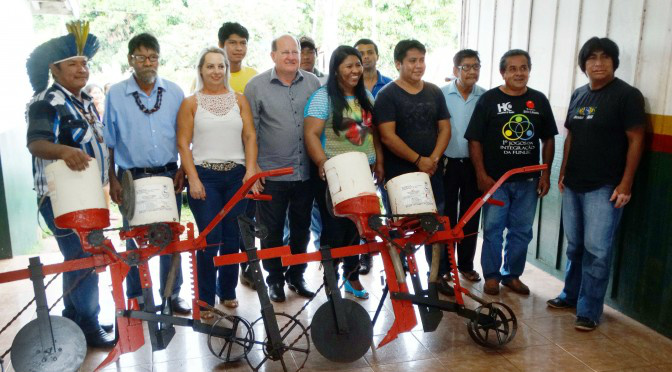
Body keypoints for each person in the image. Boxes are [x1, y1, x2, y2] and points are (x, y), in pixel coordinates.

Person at [25, 21, 114, 347]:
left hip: (87, 194)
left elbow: (100, 145)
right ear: (55, 69)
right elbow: (36, 142)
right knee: (84, 257)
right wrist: (63, 150)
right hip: (61, 196)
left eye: (85, 63)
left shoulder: (85, 101)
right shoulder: (47, 101)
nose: (82, 69)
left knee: (79, 258)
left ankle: (75, 319)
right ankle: (88, 324)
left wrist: (112, 180)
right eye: (73, 64)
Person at [547, 37, 645, 331]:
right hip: (574, 183)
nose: (598, 63)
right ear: (584, 64)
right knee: (575, 246)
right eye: (592, 58)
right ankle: (570, 294)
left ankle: (589, 310)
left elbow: (636, 139)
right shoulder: (579, 94)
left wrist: (626, 183)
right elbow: (571, 136)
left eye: (605, 57)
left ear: (614, 62)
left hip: (606, 186)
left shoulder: (627, 96)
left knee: (597, 250)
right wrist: (562, 172)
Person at [104, 33, 191, 314]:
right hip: (132, 177)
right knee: (133, 239)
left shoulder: (175, 92)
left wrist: (182, 169)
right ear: (131, 60)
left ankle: (171, 294)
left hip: (169, 175)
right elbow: (109, 141)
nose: (147, 62)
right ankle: (139, 297)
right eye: (140, 57)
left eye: (152, 56)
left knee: (170, 238)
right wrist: (113, 178)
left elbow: (186, 137)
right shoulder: (116, 94)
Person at [465, 49, 558, 296]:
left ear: (529, 70)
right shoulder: (489, 100)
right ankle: (492, 277)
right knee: (494, 229)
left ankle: (512, 275)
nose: (519, 73)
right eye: (513, 68)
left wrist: (545, 174)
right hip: (496, 181)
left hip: (528, 182)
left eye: (523, 68)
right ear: (503, 72)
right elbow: (474, 140)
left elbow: (548, 139)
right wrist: (481, 175)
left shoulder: (539, 101)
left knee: (522, 231)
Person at [177, 47, 261, 312]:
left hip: (236, 175)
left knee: (232, 236)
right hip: (206, 177)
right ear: (201, 70)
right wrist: (193, 178)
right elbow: (183, 143)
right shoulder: (191, 103)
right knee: (209, 239)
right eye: (210, 66)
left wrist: (250, 170)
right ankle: (205, 298)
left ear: (226, 69)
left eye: (220, 66)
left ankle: (227, 291)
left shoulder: (239, 100)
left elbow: (249, 137)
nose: (216, 71)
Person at [244, 35, 321, 302]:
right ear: (273, 55)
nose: (291, 57)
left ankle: (296, 276)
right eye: (285, 52)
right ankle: (274, 279)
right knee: (271, 230)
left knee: (302, 228)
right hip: (271, 174)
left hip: (305, 172)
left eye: (295, 52)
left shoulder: (312, 82)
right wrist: (252, 169)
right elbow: (249, 132)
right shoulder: (256, 86)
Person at [304, 45, 383, 299]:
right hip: (335, 175)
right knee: (335, 230)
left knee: (356, 229)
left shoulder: (366, 97)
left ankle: (352, 277)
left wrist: (379, 162)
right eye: (348, 65)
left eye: (357, 65)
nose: (355, 70)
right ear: (336, 69)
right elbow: (311, 135)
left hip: (362, 174)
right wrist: (322, 163)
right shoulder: (322, 97)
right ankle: (330, 278)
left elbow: (375, 134)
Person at [374, 39, 452, 295]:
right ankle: (398, 275)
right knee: (399, 228)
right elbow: (387, 136)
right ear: (398, 64)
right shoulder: (387, 95)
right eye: (412, 61)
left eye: (421, 60)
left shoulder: (434, 92)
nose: (419, 66)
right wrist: (419, 160)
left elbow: (445, 128)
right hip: (400, 175)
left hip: (433, 173)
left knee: (435, 224)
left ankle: (437, 276)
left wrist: (433, 160)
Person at [441, 49, 486, 283]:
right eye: (465, 67)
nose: (471, 71)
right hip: (447, 163)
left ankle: (466, 265)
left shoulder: (486, 97)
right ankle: (446, 266)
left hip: (474, 165)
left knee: (470, 215)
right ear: (455, 70)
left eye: (476, 66)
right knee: (446, 215)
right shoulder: (440, 94)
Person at [353, 38, 393, 275]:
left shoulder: (389, 86)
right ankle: (365, 256)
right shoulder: (349, 86)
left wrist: (382, 160)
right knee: (363, 212)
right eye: (361, 54)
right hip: (359, 158)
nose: (366, 57)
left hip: (386, 157)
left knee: (388, 209)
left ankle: (393, 253)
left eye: (370, 52)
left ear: (377, 56)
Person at [218, 22, 257, 94]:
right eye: (232, 43)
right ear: (220, 45)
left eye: (243, 43)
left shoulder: (254, 76)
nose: (239, 48)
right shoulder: (209, 77)